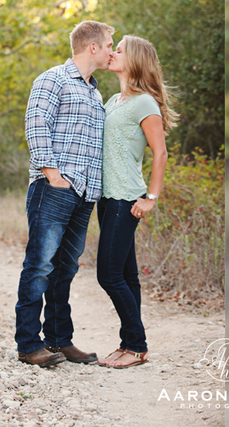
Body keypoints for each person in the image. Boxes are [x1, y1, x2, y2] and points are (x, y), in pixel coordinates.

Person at [15, 20, 114, 367]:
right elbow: (36, 121)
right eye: (108, 46)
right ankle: (28, 344)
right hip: (54, 188)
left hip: (85, 193)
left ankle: (59, 340)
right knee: (40, 266)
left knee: (65, 268)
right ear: (92, 47)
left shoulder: (95, 92)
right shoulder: (52, 78)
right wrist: (51, 174)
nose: (111, 52)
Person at [95, 35, 177, 369]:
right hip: (105, 197)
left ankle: (137, 344)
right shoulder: (113, 100)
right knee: (128, 277)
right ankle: (129, 345)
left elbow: (160, 153)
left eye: (120, 49)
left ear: (136, 59)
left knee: (108, 275)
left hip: (126, 198)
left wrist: (151, 198)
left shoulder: (144, 103)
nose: (113, 52)